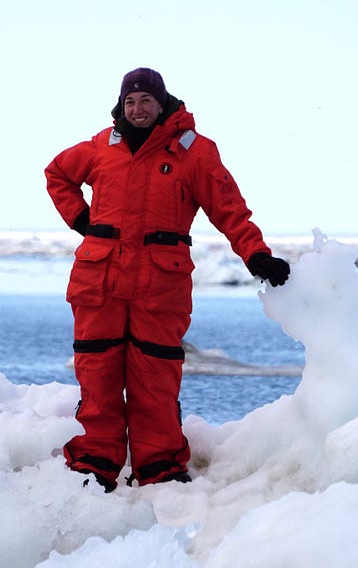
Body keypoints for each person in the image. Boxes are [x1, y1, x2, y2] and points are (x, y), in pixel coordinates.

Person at [44, 67, 290, 492]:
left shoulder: (193, 152)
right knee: (97, 373)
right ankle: (95, 461)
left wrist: (256, 253)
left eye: (146, 101)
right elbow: (57, 174)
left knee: (154, 379)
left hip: (159, 285)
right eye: (130, 102)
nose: (138, 109)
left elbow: (229, 209)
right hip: (99, 280)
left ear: (162, 104)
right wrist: (82, 220)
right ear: (122, 107)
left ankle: (158, 467)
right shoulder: (101, 146)